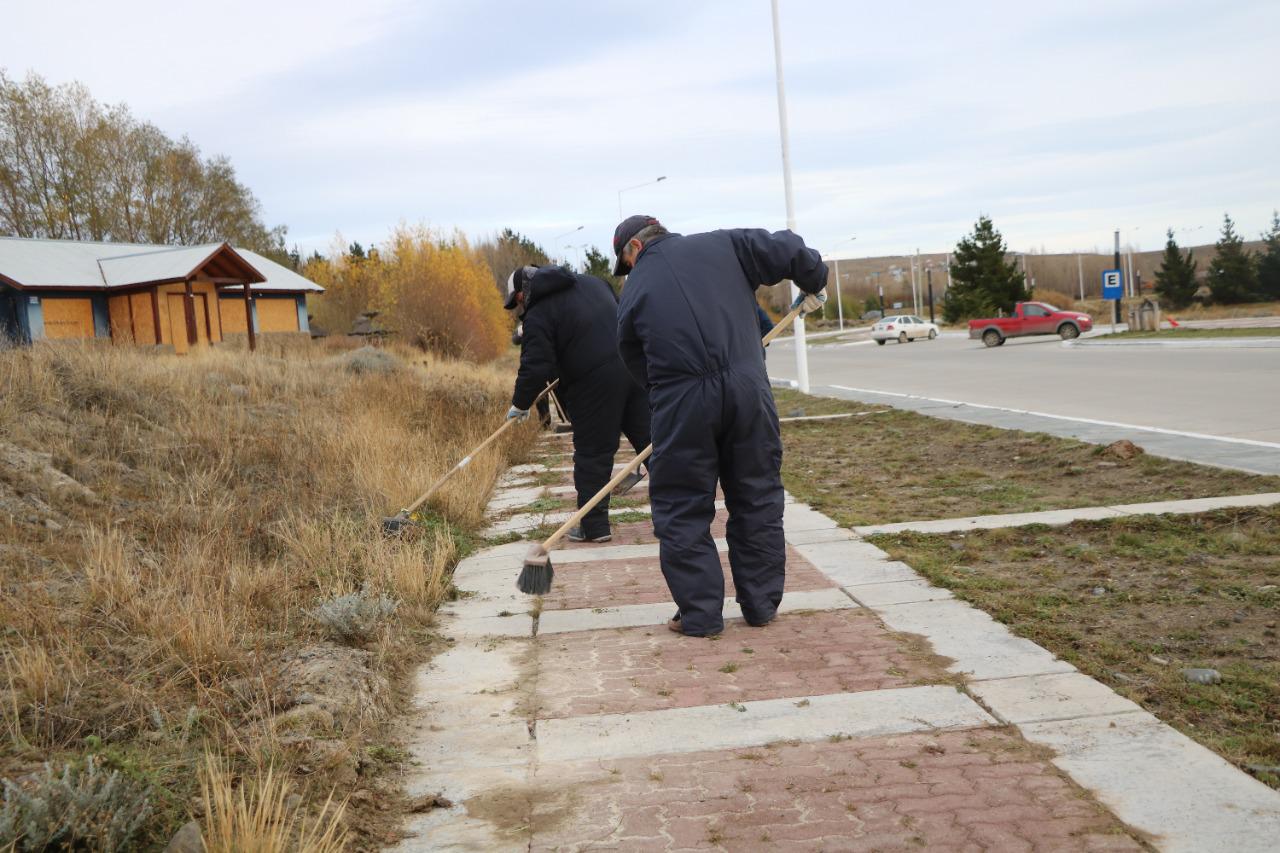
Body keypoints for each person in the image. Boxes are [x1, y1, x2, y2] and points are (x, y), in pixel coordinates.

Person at [613, 215, 827, 636]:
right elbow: (787, 248)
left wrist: (667, 394)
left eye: (625, 261)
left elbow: (631, 354)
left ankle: (701, 615)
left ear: (635, 248)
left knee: (681, 507)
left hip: (681, 402)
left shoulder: (635, 288)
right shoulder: (723, 245)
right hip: (748, 391)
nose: (628, 271)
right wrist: (813, 278)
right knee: (757, 494)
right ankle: (761, 604)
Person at [505, 264, 651, 542]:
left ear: (524, 293)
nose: (518, 308)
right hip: (633, 371)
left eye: (517, 302)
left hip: (594, 385)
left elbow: (535, 365)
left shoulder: (538, 313)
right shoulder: (594, 283)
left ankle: (593, 527)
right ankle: (678, 514)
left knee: (593, 454)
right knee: (654, 443)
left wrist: (521, 403)